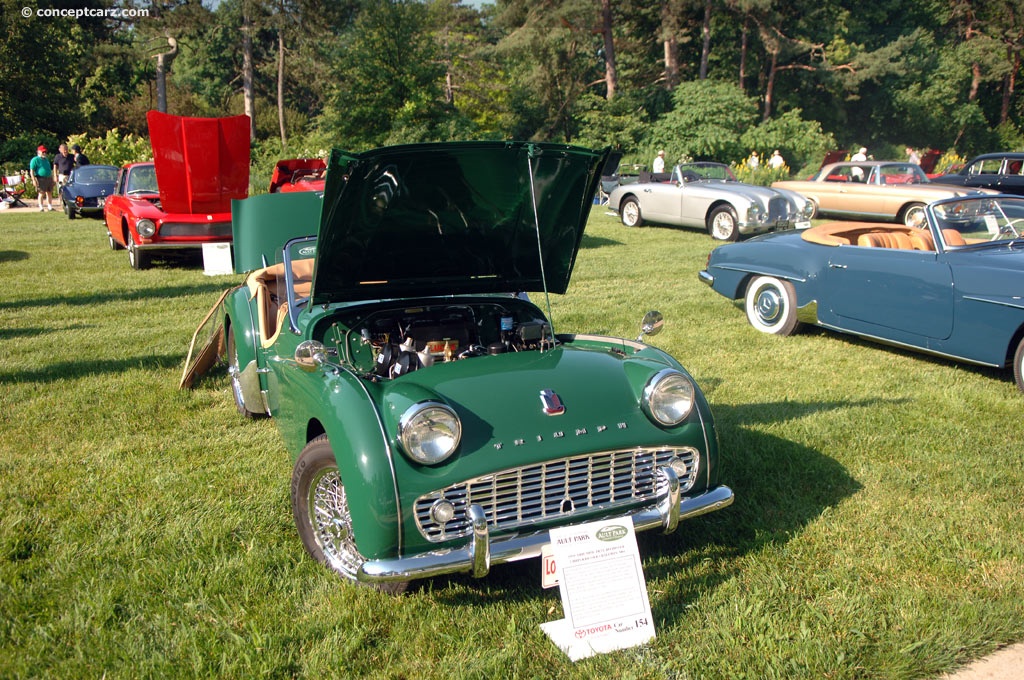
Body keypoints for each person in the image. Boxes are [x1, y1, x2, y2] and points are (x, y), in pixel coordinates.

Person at [29, 145, 55, 212]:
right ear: (39, 152)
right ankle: (41, 207)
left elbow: (49, 169)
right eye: (43, 152)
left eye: (45, 152)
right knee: (41, 193)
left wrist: (52, 178)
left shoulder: (46, 160)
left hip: (48, 177)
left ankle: (50, 206)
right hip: (40, 178)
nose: (44, 153)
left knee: (49, 192)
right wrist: (33, 180)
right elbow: (32, 171)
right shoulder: (35, 160)